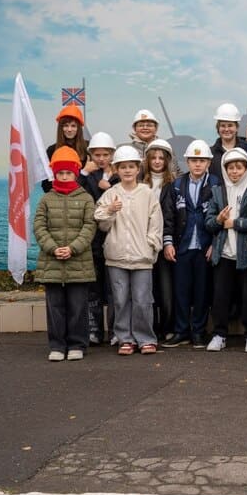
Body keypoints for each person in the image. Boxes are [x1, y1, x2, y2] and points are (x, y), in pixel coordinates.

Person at [95, 145, 163, 356]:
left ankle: (146, 339)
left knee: (143, 300)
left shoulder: (147, 193)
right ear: (116, 169)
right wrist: (110, 210)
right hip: (116, 256)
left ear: (138, 169)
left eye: (131, 166)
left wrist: (151, 245)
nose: (127, 171)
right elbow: (101, 224)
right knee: (120, 299)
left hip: (142, 257)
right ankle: (125, 338)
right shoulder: (110, 194)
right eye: (123, 167)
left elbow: (156, 223)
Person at [34, 146, 96, 362]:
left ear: (75, 173)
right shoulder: (46, 199)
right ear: (54, 174)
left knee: (78, 306)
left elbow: (90, 226)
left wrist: (73, 248)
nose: (64, 176)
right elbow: (39, 227)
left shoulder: (86, 198)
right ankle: (57, 345)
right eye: (60, 173)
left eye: (68, 172)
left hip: (79, 262)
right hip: (51, 262)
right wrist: (53, 248)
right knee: (55, 307)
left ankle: (77, 344)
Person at [161, 139, 217, 349]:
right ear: (187, 161)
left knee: (202, 292)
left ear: (208, 162)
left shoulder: (216, 185)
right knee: (181, 291)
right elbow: (168, 217)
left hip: (205, 247)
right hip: (182, 247)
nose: (197, 164)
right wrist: (168, 243)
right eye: (193, 160)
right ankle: (181, 331)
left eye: (202, 160)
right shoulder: (176, 185)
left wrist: (215, 243)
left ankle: (199, 332)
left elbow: (220, 216)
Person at [205, 148, 247, 352]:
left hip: (246, 253)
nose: (235, 171)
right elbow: (208, 223)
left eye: (239, 167)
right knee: (220, 297)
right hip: (223, 254)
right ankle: (219, 334)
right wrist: (219, 220)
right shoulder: (218, 191)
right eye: (230, 168)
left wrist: (235, 223)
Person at [82, 131, 119, 345]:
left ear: (112, 154)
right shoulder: (88, 176)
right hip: (93, 241)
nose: (102, 158)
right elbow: (76, 191)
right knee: (93, 288)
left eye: (105, 154)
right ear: (91, 155)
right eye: (97, 155)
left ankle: (115, 331)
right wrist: (84, 172)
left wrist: (110, 187)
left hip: (115, 238)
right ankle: (94, 330)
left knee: (114, 289)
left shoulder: (119, 175)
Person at [142, 138, 176, 341]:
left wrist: (168, 241)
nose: (156, 161)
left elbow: (171, 215)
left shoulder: (173, 184)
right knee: (147, 289)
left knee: (165, 289)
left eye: (161, 158)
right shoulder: (140, 182)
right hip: (142, 242)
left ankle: (167, 326)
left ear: (167, 161)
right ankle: (150, 327)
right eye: (153, 158)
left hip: (164, 242)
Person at [41, 106, 88, 193]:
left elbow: (92, 182)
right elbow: (46, 185)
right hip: (58, 198)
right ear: (60, 128)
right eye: (66, 126)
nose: (69, 129)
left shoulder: (88, 148)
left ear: (79, 128)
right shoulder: (51, 150)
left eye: (73, 126)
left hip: (83, 198)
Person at [209, 103, 247, 178]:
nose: (226, 129)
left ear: (237, 128)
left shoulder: (246, 148)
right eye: (223, 126)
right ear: (218, 128)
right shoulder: (211, 153)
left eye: (230, 125)